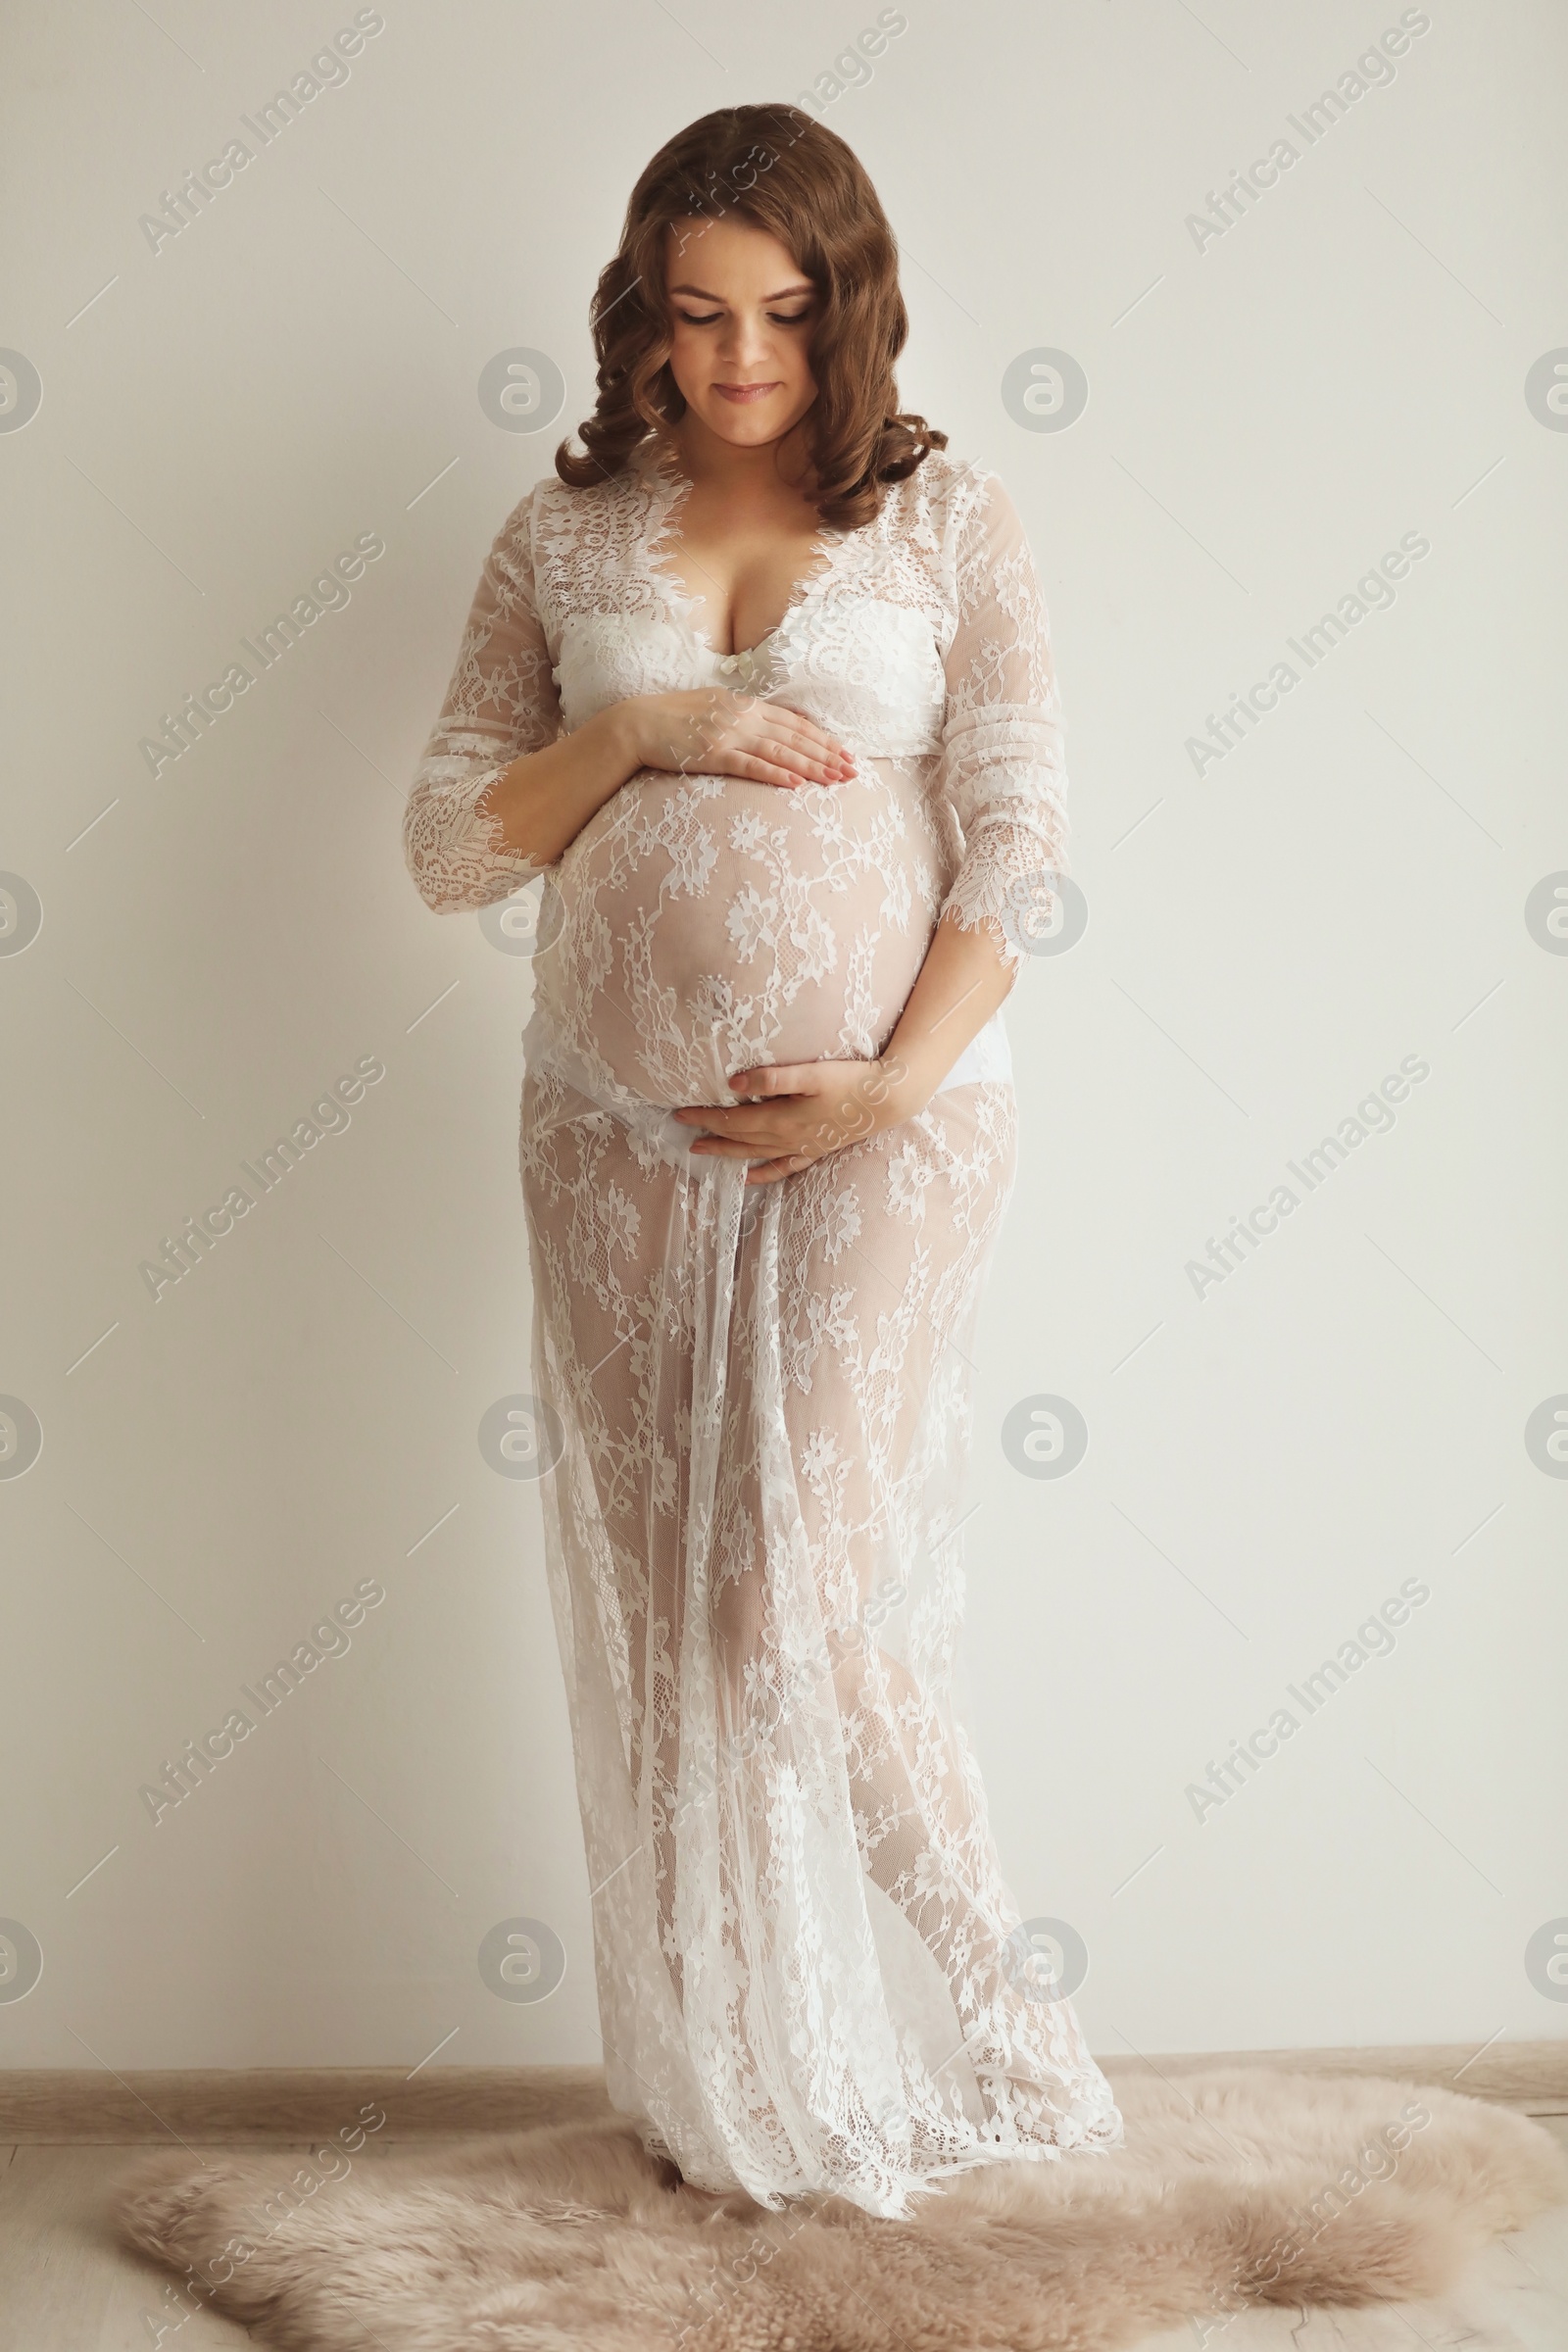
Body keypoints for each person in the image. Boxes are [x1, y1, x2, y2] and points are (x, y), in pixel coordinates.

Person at [403, 101, 1124, 2220]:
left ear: (850, 312)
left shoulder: (944, 522)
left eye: (784, 318)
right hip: (608, 1133)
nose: (735, 363)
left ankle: (1005, 2023)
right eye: (697, 315)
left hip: (891, 1131)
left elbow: (1021, 846)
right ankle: (720, 2068)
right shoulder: (562, 543)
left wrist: (887, 1084)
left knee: (777, 1597)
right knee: (658, 1610)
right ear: (641, 310)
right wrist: (633, 730)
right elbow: (448, 848)